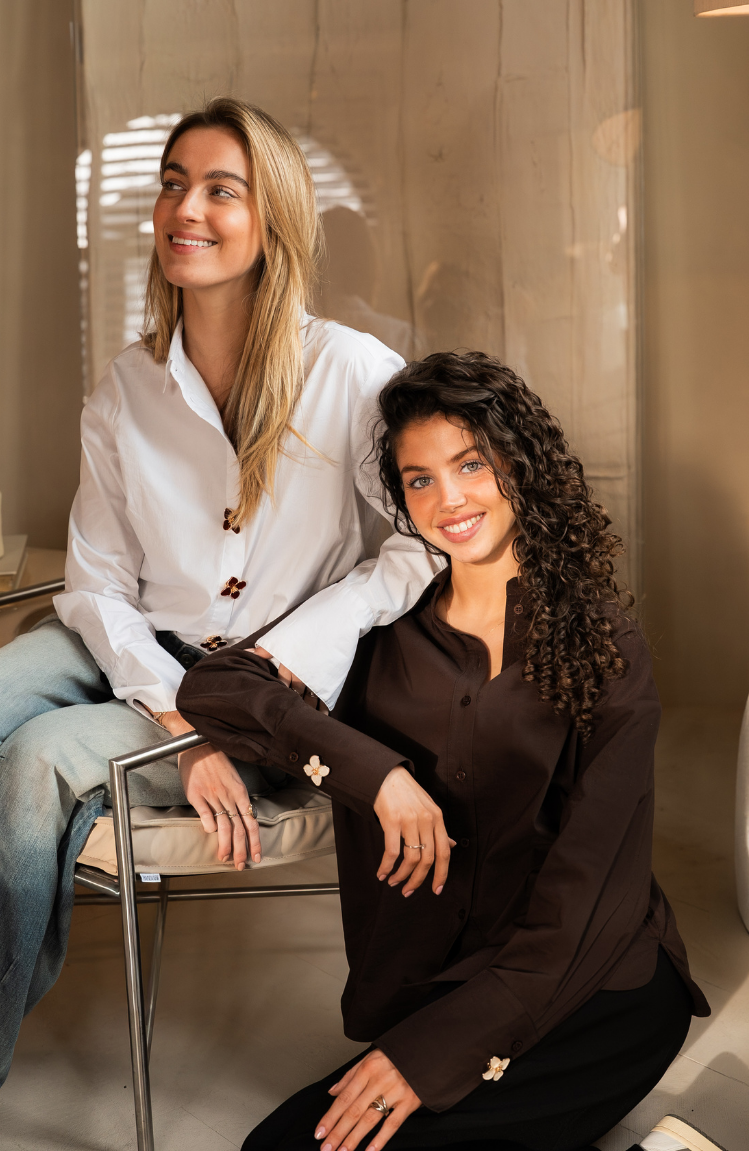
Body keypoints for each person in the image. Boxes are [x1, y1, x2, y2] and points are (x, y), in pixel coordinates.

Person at [0, 97, 437, 1124]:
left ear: (274, 218)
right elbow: (95, 585)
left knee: (34, 763)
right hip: (124, 644)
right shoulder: (128, 387)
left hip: (266, 688)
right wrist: (181, 721)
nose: (186, 208)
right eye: (174, 183)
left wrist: (290, 659)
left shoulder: (352, 374)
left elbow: (420, 543)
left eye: (221, 189)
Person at [177, 351, 720, 1151]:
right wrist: (378, 777)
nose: (449, 499)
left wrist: (431, 1055)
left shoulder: (606, 646)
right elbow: (218, 687)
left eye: (471, 464)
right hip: (443, 982)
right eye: (419, 479)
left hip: (596, 982)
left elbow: (585, 889)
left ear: (519, 464)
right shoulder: (377, 628)